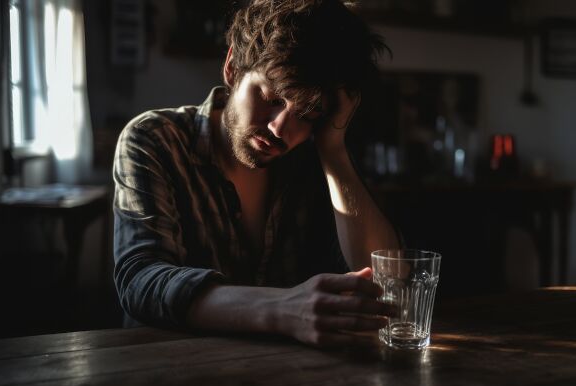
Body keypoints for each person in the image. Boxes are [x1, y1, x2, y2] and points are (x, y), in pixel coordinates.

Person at [112, 0, 401, 347]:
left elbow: (389, 279)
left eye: (307, 114)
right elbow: (140, 280)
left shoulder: (313, 157)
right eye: (271, 97)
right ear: (233, 67)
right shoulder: (155, 138)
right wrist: (283, 308)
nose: (281, 128)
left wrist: (334, 150)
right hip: (167, 365)